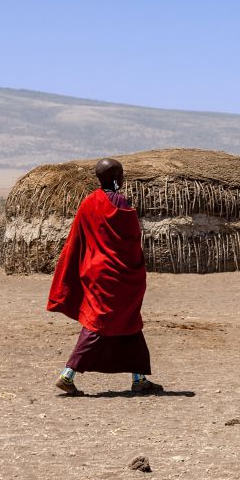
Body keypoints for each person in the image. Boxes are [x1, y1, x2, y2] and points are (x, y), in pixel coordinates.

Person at [48, 157, 162, 395]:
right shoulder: (121, 203)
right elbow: (132, 238)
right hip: (119, 276)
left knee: (129, 322)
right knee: (98, 324)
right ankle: (67, 374)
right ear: (117, 178)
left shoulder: (89, 202)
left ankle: (139, 379)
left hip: (96, 272)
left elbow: (77, 239)